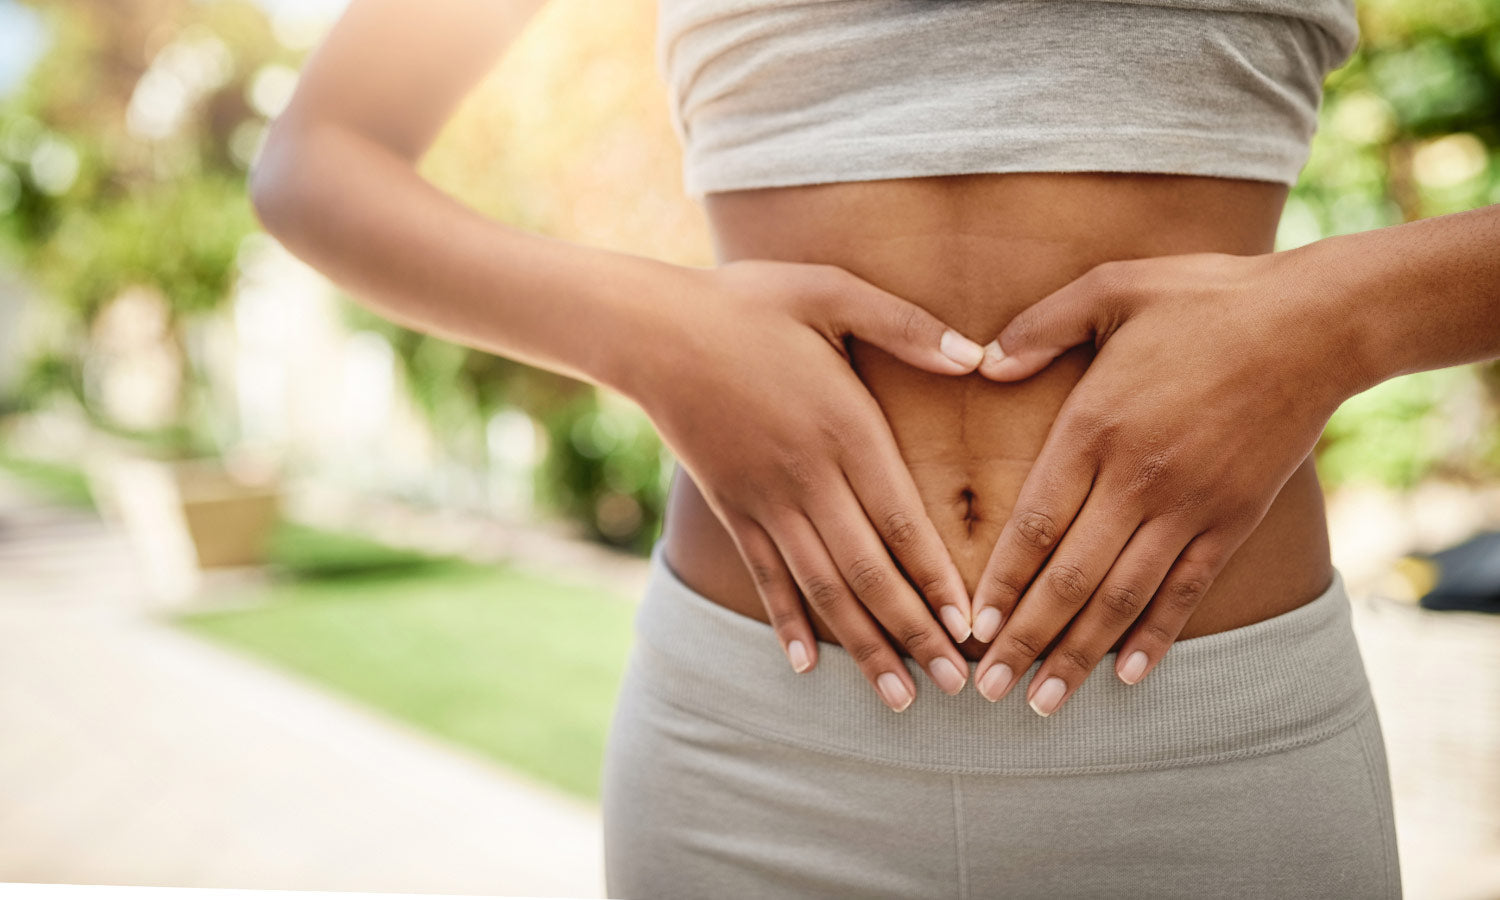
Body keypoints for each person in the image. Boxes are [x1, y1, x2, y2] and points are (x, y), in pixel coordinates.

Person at [250, 0, 1498, 895]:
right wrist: (653, 332)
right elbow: (319, 158)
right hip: (753, 752)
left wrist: (1349, 316)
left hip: (1215, 759)